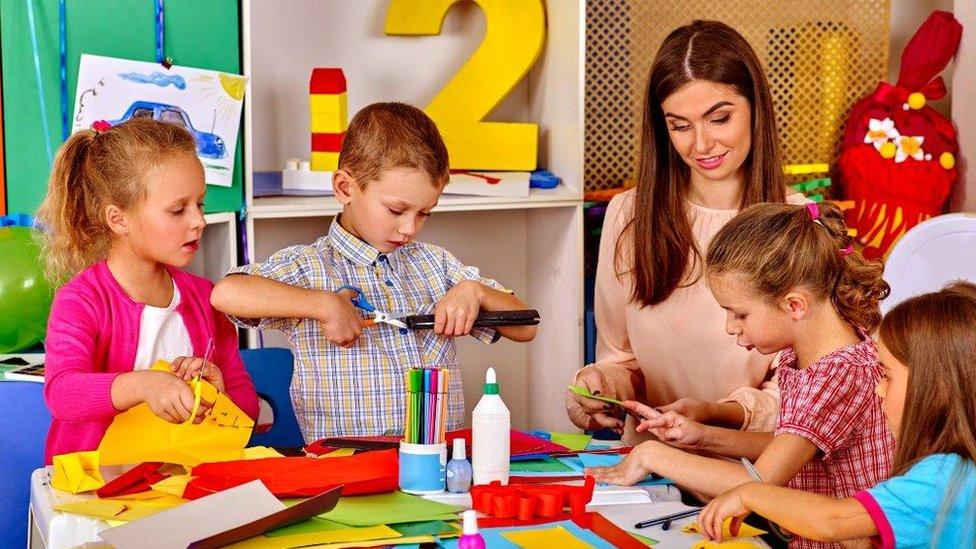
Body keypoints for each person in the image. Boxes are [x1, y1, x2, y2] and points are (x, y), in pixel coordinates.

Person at [211, 102, 536, 442]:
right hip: (344, 470)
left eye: (425, 213)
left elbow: (526, 327)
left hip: (435, 467)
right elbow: (228, 294)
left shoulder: (436, 266)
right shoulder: (309, 267)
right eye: (396, 210)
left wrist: (476, 292)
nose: (409, 227)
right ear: (345, 188)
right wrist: (324, 306)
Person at [587, 202, 894, 549]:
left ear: (794, 305)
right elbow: (790, 446)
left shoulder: (837, 373)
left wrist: (653, 455)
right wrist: (700, 435)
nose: (730, 327)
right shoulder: (810, 352)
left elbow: (758, 484)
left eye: (740, 314)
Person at [567, 20, 808, 441]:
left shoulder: (797, 221)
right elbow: (621, 360)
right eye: (680, 125)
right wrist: (598, 387)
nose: (701, 145)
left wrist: (719, 415)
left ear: (756, 108)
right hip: (648, 466)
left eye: (719, 119)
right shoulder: (629, 215)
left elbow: (808, 389)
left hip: (753, 472)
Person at [38, 118, 259, 463]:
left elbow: (248, 409)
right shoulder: (81, 301)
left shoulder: (206, 298)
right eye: (178, 209)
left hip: (181, 483)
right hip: (96, 487)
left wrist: (221, 394)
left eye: (200, 204)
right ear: (118, 219)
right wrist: (144, 385)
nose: (199, 221)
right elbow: (63, 394)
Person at [698, 282, 976, 549]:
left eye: (887, 376)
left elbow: (832, 521)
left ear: (935, 388)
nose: (878, 389)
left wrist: (750, 494)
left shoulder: (947, 474)